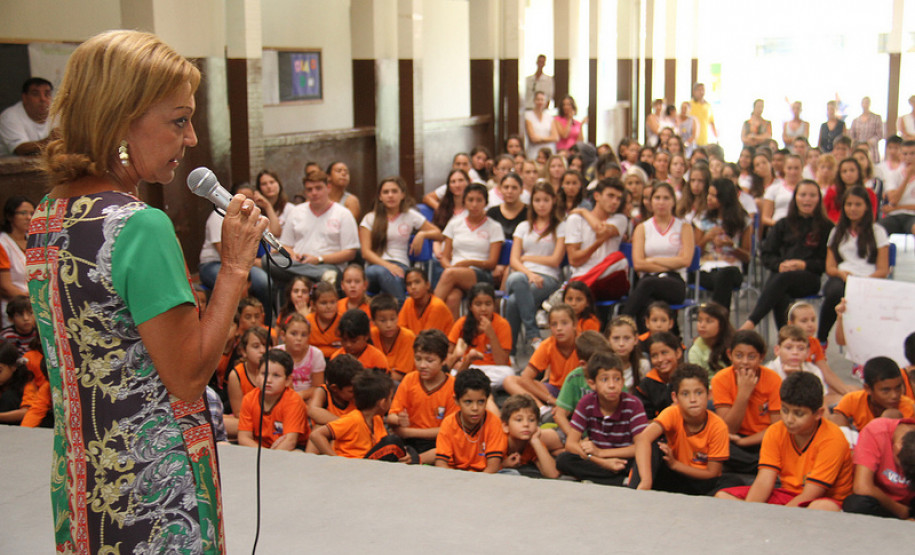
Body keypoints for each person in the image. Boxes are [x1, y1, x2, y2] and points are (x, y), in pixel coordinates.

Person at [27, 30, 266, 552]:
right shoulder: (140, 225)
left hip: (82, 477)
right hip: (153, 488)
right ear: (119, 119)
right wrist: (233, 266)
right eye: (178, 120)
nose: (192, 138)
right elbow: (186, 376)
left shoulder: (47, 215)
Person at [715, 372, 853, 511]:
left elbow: (811, 494)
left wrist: (779, 518)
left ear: (818, 414)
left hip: (823, 500)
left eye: (798, 414)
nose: (789, 419)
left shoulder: (833, 439)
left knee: (822, 508)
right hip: (787, 495)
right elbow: (765, 480)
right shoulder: (775, 431)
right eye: (785, 410)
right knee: (723, 497)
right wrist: (751, 512)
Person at [739, 181, 833, 331]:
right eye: (803, 195)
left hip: (809, 278)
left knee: (780, 281)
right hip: (782, 274)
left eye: (812, 195)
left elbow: (826, 263)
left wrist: (804, 265)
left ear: (819, 199)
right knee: (780, 291)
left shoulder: (827, 227)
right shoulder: (782, 224)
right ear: (795, 198)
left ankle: (751, 322)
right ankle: (786, 337)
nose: (807, 199)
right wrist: (780, 265)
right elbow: (767, 254)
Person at [631, 364, 729, 494]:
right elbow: (643, 438)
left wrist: (676, 465)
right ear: (675, 398)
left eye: (699, 393)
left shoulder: (718, 426)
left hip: (701, 481)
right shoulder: (672, 413)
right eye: (685, 394)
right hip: (673, 478)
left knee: (731, 482)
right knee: (654, 446)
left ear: (709, 394)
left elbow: (712, 473)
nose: (693, 400)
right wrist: (646, 480)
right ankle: (637, 492)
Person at [555, 352, 649, 485]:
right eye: (605, 380)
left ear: (623, 381)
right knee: (564, 459)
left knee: (649, 458)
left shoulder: (633, 404)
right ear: (592, 384)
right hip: (598, 461)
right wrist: (602, 462)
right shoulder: (586, 403)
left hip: (626, 459)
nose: (612, 385)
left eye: (617, 379)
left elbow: (640, 446)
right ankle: (620, 482)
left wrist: (601, 453)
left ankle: (604, 480)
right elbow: (571, 444)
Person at [819, 186, 889, 343]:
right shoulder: (836, 231)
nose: (853, 209)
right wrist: (841, 274)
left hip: (870, 279)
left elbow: (883, 270)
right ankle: (821, 340)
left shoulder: (878, 231)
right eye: (849, 204)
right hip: (843, 277)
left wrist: (862, 280)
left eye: (858, 204)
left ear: (866, 207)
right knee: (833, 293)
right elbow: (830, 267)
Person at [624, 182, 695, 332]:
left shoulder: (684, 227)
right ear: (650, 201)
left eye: (666, 198)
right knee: (649, 302)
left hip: (674, 281)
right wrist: (672, 261)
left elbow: (685, 260)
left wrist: (652, 260)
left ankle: (623, 323)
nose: (661, 202)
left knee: (647, 285)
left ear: (673, 201)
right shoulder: (642, 228)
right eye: (657, 198)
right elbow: (638, 264)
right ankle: (662, 342)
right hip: (648, 281)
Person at [360, 176, 442, 304]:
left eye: (394, 191)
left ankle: (399, 314)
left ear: (402, 195)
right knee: (385, 273)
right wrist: (388, 266)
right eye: (386, 192)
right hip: (375, 267)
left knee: (397, 278)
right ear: (380, 197)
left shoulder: (410, 215)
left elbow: (439, 234)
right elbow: (366, 252)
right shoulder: (370, 218)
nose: (390, 195)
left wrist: (422, 235)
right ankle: (402, 311)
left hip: (401, 266)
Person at [504, 182, 565, 350]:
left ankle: (510, 353)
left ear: (553, 201)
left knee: (514, 302)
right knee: (517, 278)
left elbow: (555, 260)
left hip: (548, 278)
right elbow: (514, 260)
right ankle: (533, 334)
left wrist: (529, 257)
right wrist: (530, 274)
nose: (541, 204)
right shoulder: (523, 227)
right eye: (537, 200)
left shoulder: (560, 226)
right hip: (523, 276)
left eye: (546, 200)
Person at [197, 183, 274, 316]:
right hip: (214, 264)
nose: (247, 202)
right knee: (234, 285)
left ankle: (266, 325)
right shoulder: (218, 215)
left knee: (264, 281)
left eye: (250, 198)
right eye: (243, 197)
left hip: (244, 262)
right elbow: (225, 254)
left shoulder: (253, 216)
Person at [711, 331, 781, 474]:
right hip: (734, 438)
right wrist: (743, 394)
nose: (744, 362)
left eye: (751, 356)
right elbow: (729, 429)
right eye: (739, 355)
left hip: (764, 438)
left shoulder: (774, 380)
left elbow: (776, 428)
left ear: (761, 357)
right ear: (730, 355)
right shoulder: (720, 379)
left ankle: (763, 465)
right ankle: (764, 466)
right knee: (715, 443)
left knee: (782, 443)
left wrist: (744, 442)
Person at [275, 168, 359, 287]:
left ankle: (316, 273)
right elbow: (286, 245)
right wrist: (293, 255)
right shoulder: (295, 212)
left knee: (332, 273)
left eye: (318, 188)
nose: (314, 193)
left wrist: (318, 259)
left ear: (328, 188)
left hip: (328, 265)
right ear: (305, 192)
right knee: (268, 260)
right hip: (298, 264)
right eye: (309, 189)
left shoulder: (343, 214)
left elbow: (350, 252)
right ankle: (317, 274)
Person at [386, 329, 457, 464]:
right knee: (390, 442)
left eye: (429, 360)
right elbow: (391, 416)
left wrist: (407, 432)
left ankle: (416, 460)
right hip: (408, 441)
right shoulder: (409, 379)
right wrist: (399, 420)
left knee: (448, 449)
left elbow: (447, 430)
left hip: (436, 441)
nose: (422, 365)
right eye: (418, 359)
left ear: (443, 360)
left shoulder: (452, 386)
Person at [434, 183, 504, 318]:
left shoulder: (494, 227)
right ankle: (452, 338)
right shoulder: (455, 223)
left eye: (479, 200)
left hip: (481, 274)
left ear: (486, 202)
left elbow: (492, 263)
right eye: (470, 200)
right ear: (464, 201)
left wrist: (467, 263)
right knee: (452, 299)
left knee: (450, 275)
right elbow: (444, 256)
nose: (474, 204)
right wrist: (450, 268)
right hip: (454, 273)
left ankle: (426, 318)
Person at [502, 304, 580, 409]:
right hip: (554, 391)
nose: (559, 328)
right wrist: (551, 400)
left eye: (564, 323)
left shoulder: (584, 343)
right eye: (554, 324)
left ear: (574, 324)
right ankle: (542, 410)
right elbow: (525, 378)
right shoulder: (547, 345)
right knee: (510, 381)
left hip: (579, 392)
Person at [565, 178, 630, 302]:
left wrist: (584, 212)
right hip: (582, 276)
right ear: (597, 196)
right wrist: (598, 243)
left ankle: (570, 292)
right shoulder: (575, 219)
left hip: (609, 280)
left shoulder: (620, 219)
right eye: (610, 196)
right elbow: (574, 260)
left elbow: (600, 230)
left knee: (619, 259)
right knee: (580, 289)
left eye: (618, 198)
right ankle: (579, 290)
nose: (615, 201)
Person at [308, 369, 397, 459]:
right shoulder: (353, 419)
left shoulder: (377, 419)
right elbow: (316, 435)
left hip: (368, 464)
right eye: (390, 398)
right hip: (351, 466)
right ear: (382, 403)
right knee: (393, 441)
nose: (391, 402)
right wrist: (335, 459)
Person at [434, 367, 506, 472]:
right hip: (455, 475)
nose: (475, 408)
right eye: (468, 402)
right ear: (457, 400)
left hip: (486, 476)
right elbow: (441, 463)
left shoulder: (493, 422)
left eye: (481, 402)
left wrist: (476, 486)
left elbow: (492, 467)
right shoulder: (448, 423)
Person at [842, 417, 915, 518]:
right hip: (882, 499)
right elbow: (862, 487)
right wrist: (902, 511)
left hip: (911, 500)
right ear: (897, 448)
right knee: (855, 504)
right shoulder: (877, 431)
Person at [695, 178, 751, 309]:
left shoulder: (743, 220)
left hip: (732, 268)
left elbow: (747, 256)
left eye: (714, 196)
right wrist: (706, 238)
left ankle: (714, 315)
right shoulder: (701, 218)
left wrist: (731, 247)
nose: (709, 198)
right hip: (706, 268)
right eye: (709, 194)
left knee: (726, 275)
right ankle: (720, 318)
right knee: (721, 279)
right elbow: (694, 253)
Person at [237, 349, 308, 450]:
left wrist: (270, 458)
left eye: (276, 375)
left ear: (287, 380)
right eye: (264, 374)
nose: (268, 380)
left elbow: (290, 442)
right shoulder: (249, 398)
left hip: (289, 450)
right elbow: (244, 438)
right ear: (257, 375)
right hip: (259, 450)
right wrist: (264, 455)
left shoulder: (293, 401)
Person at [446, 283, 512, 388]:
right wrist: (459, 364)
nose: (483, 309)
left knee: (508, 374)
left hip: (493, 369)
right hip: (468, 367)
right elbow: (448, 355)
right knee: (450, 374)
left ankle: (473, 385)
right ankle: (480, 385)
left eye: (488, 304)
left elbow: (502, 362)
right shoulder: (461, 323)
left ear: (494, 305)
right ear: (470, 306)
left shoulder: (502, 324)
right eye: (478, 304)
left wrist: (491, 335)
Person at [831, 357, 915, 432]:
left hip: (890, 446)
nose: (894, 395)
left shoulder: (909, 407)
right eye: (886, 390)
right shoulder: (853, 399)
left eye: (898, 388)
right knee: (837, 418)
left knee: (891, 415)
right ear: (868, 388)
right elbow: (836, 421)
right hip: (857, 445)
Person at [500, 394, 559, 478]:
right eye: (519, 420)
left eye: (531, 420)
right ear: (506, 426)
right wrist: (503, 465)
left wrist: (536, 442)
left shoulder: (532, 442)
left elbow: (553, 474)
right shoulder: (499, 441)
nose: (526, 424)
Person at [0, 196, 33, 327]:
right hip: (15, 310)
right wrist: (32, 299)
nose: (29, 217)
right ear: (10, 216)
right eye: (23, 213)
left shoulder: (33, 239)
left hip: (37, 307)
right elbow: (5, 286)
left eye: (32, 213)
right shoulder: (3, 243)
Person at [277, 312, 324, 401]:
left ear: (309, 336)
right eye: (294, 334)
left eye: (303, 335)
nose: (299, 338)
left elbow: (318, 388)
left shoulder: (316, 354)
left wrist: (298, 396)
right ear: (283, 335)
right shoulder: (276, 353)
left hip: (308, 398)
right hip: (282, 397)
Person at [0, 78, 53, 156]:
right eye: (36, 94)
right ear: (25, 98)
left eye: (47, 94)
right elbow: (20, 150)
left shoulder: (58, 113)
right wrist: (50, 140)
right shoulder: (9, 117)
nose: (43, 99)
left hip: (43, 164)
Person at [635, 332, 682, 419]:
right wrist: (668, 415)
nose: (660, 359)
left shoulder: (688, 378)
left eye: (664, 353)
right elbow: (644, 422)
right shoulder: (645, 387)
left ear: (678, 353)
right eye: (654, 355)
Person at [369, 293, 416, 380]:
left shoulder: (408, 337)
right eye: (383, 321)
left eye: (393, 319)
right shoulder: (370, 336)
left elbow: (399, 376)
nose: (389, 325)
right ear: (373, 321)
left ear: (398, 316)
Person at [398, 268, 454, 335]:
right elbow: (400, 331)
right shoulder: (408, 302)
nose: (413, 287)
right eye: (409, 284)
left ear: (427, 285)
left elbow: (428, 340)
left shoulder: (437, 306)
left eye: (417, 282)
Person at [307, 353, 359, 425]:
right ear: (334, 388)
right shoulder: (323, 392)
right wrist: (345, 424)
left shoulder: (359, 391)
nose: (356, 393)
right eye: (351, 391)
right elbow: (313, 410)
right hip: (335, 430)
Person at [877, 139, 915, 237]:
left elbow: (893, 205)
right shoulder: (893, 175)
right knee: (877, 230)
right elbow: (893, 200)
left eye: (912, 154)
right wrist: (907, 177)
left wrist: (896, 208)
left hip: (912, 216)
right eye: (905, 154)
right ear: (900, 155)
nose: (908, 158)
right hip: (894, 216)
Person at [688, 302, 734, 377]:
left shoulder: (733, 344)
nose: (702, 325)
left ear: (722, 325)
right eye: (699, 320)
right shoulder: (695, 351)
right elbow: (699, 380)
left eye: (709, 321)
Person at [607, 315, 649, 390]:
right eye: (616, 338)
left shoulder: (642, 366)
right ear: (608, 340)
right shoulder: (602, 366)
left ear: (635, 339)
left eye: (627, 338)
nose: (621, 344)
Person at [761, 154, 801, 228]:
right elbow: (765, 218)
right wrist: (781, 225)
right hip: (779, 229)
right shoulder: (773, 188)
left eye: (796, 168)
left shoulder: (809, 188)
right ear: (784, 169)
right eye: (789, 168)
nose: (793, 172)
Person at [307, 281, 342, 358]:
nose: (329, 306)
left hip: (337, 361)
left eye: (332, 302)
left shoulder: (343, 322)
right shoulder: (307, 322)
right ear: (313, 304)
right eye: (323, 303)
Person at [0, 339, 31, 424]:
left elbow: (27, 412)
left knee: (9, 397)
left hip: (20, 429)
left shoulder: (27, 381)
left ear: (13, 367)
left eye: (0, 371)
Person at [849, 97, 884, 163]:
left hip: (872, 150)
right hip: (858, 150)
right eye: (864, 103)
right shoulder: (856, 120)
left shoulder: (876, 118)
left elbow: (879, 135)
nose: (865, 104)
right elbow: (852, 136)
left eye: (867, 102)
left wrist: (869, 142)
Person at [525, 91, 557, 160]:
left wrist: (540, 139)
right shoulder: (528, 115)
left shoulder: (549, 117)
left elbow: (555, 137)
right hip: (534, 151)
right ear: (534, 101)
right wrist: (548, 138)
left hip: (549, 151)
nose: (540, 102)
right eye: (538, 99)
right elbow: (533, 138)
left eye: (542, 100)